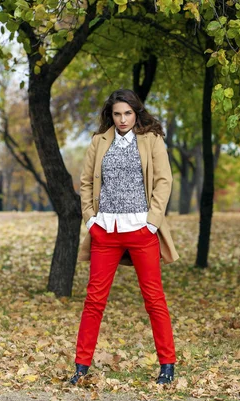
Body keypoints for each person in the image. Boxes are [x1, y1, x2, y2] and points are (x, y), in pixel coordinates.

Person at [70, 89, 180, 385]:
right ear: (111, 114)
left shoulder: (152, 140)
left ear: (136, 113)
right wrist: (91, 220)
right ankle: (81, 366)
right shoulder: (98, 142)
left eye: (127, 114)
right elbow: (85, 182)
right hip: (105, 231)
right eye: (117, 114)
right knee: (94, 300)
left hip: (142, 231)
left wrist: (152, 223)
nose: (122, 119)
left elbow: (163, 181)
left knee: (154, 298)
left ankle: (167, 364)